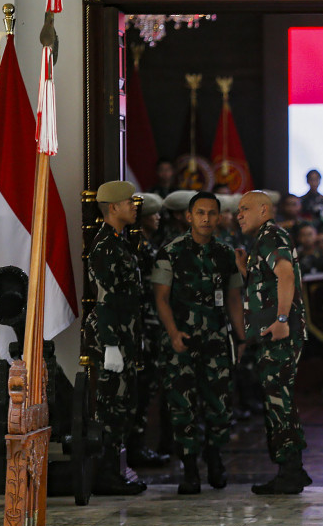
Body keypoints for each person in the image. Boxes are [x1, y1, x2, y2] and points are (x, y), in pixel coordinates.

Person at [153, 191, 245, 495]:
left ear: (219, 217)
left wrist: (241, 337)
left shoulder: (225, 254)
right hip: (183, 340)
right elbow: (161, 298)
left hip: (217, 340)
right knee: (183, 406)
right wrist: (173, 332)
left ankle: (215, 459)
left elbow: (233, 298)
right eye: (200, 213)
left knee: (220, 405)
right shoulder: (171, 252)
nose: (206, 219)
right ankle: (190, 468)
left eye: (212, 213)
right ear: (189, 216)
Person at [235, 190, 311, 494]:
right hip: (271, 334)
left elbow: (285, 275)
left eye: (245, 209)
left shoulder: (271, 236)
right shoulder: (264, 239)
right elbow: (269, 281)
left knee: (279, 400)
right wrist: (246, 271)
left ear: (264, 210)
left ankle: (290, 471)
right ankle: (294, 469)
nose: (238, 214)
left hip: (279, 334)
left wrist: (280, 321)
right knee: (279, 399)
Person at [82, 180, 147, 496]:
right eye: (128, 202)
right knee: (111, 409)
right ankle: (106, 475)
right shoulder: (105, 246)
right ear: (113, 208)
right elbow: (106, 299)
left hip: (124, 338)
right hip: (112, 340)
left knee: (123, 407)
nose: (134, 206)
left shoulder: (119, 242)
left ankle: (115, 471)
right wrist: (109, 344)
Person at [128, 192, 171, 469]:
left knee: (148, 387)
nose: (158, 219)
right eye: (154, 214)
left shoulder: (146, 243)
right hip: (144, 326)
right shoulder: (141, 246)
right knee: (142, 389)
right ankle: (135, 447)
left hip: (151, 325)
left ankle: (138, 445)